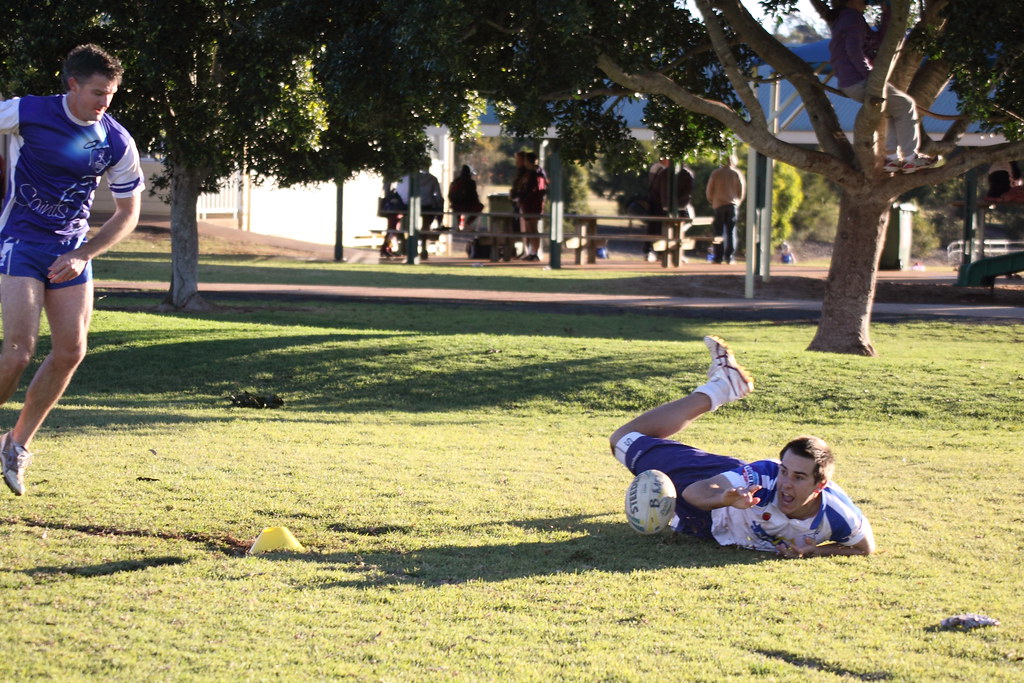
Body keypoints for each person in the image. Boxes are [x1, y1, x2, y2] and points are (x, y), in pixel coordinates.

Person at [0, 44, 145, 496]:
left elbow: (128, 212)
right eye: (98, 92)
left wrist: (85, 253)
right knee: (19, 351)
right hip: (20, 240)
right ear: (73, 84)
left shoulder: (116, 140)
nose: (105, 102)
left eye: (112, 94)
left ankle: (15, 444)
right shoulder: (25, 112)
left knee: (70, 352)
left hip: (70, 250)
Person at [609, 336, 875, 558]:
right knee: (622, 439)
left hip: (700, 528)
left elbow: (864, 548)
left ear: (820, 486)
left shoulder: (837, 516)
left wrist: (816, 551)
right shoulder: (763, 477)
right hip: (711, 492)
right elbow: (696, 491)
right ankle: (721, 388)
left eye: (799, 477)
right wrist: (724, 498)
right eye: (785, 471)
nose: (786, 483)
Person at [828, 0, 939, 174]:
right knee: (905, 105)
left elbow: (879, 41)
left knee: (893, 110)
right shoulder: (851, 18)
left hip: (851, 81)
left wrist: (887, 13)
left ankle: (892, 158)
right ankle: (910, 158)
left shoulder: (849, 18)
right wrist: (870, 77)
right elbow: (853, 50)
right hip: (859, 79)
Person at [645, 158, 695, 262]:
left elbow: (656, 187)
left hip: (664, 204)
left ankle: (664, 252)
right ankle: (662, 252)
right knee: (661, 228)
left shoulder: (664, 172)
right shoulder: (661, 170)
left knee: (660, 227)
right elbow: (688, 191)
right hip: (667, 205)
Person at [705, 155, 745, 265]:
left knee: (718, 232)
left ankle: (718, 257)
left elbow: (709, 189)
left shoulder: (716, 173)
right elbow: (741, 190)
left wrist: (711, 200)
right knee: (731, 231)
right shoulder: (736, 173)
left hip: (718, 204)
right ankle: (729, 257)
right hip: (732, 204)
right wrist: (738, 201)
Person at [515, 152, 547, 262]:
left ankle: (535, 252)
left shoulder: (536, 174)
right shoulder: (532, 173)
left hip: (533, 204)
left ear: (528, 161)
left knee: (533, 228)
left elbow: (534, 190)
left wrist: (522, 198)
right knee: (529, 229)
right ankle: (531, 251)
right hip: (528, 204)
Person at [448, 165, 484, 230]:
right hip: (467, 205)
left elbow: (450, 195)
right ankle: (467, 223)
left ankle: (459, 224)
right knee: (480, 206)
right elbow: (474, 196)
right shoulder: (471, 183)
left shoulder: (455, 182)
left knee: (458, 209)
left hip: (455, 205)